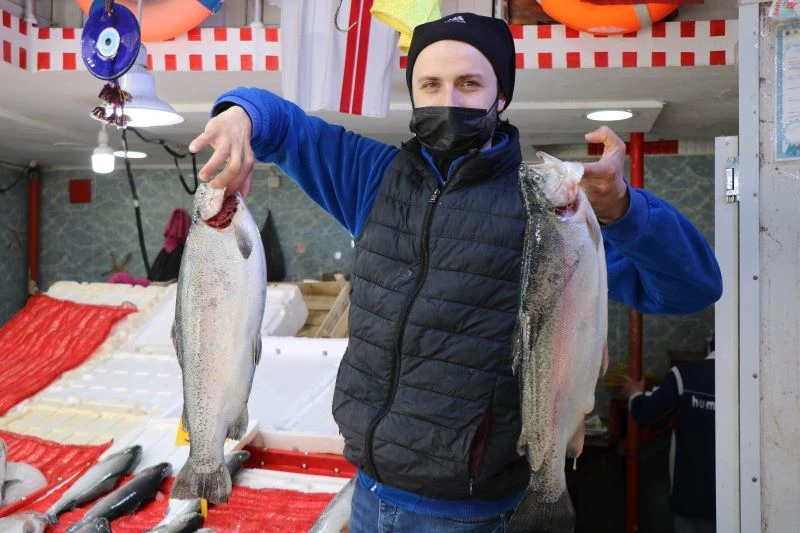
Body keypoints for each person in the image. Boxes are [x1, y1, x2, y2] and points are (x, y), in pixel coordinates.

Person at [189, 12, 722, 533]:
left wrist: (626, 209)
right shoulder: (371, 176)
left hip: (475, 511)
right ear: (414, 93)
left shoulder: (547, 214)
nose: (449, 99)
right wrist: (240, 111)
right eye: (431, 82)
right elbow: (284, 125)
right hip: (368, 488)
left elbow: (691, 287)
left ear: (501, 97)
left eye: (470, 83)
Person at [622, 352, 716, 533]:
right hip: (740, 502)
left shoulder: (685, 375)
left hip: (690, 499)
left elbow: (649, 413)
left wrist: (634, 394)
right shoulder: (753, 379)